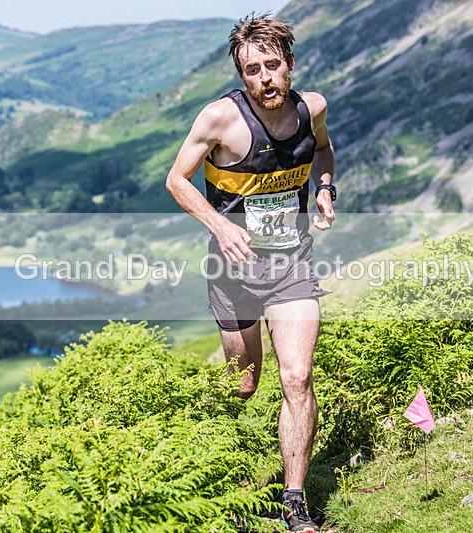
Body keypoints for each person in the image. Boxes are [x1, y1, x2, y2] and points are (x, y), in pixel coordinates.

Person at [166, 12, 335, 533]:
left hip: (291, 265)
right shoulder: (220, 119)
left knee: (298, 377)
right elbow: (176, 179)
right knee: (242, 385)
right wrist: (219, 225)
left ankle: (294, 501)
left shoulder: (313, 109)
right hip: (233, 270)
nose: (265, 78)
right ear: (241, 75)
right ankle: (227, 489)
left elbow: (324, 151)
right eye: (252, 69)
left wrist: (325, 189)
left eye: (273, 66)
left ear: (289, 64)